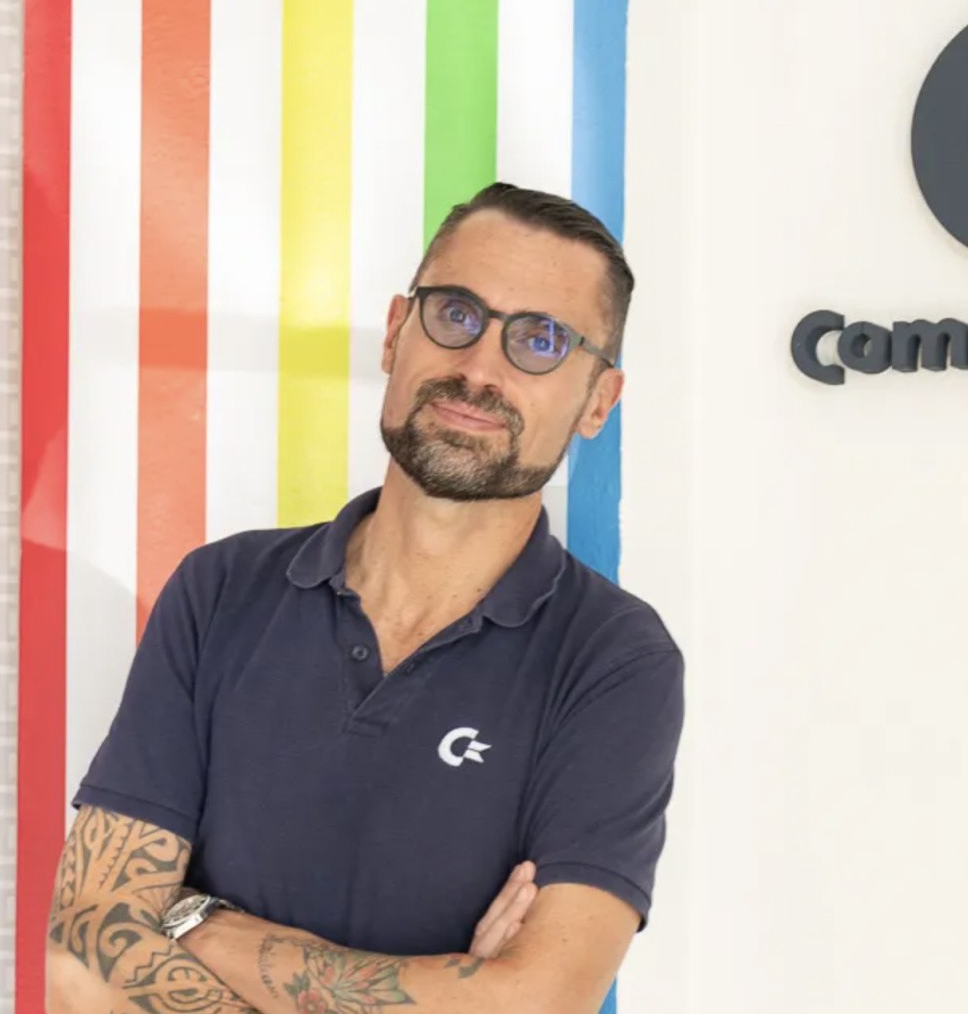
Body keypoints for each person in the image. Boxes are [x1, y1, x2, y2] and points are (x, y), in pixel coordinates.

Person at [45, 182, 686, 1014]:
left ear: (598, 400)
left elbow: (537, 1002)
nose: (479, 368)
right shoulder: (222, 591)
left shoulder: (613, 661)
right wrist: (452, 993)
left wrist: (196, 924)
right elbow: (82, 960)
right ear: (395, 331)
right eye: (456, 314)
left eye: (540, 340)